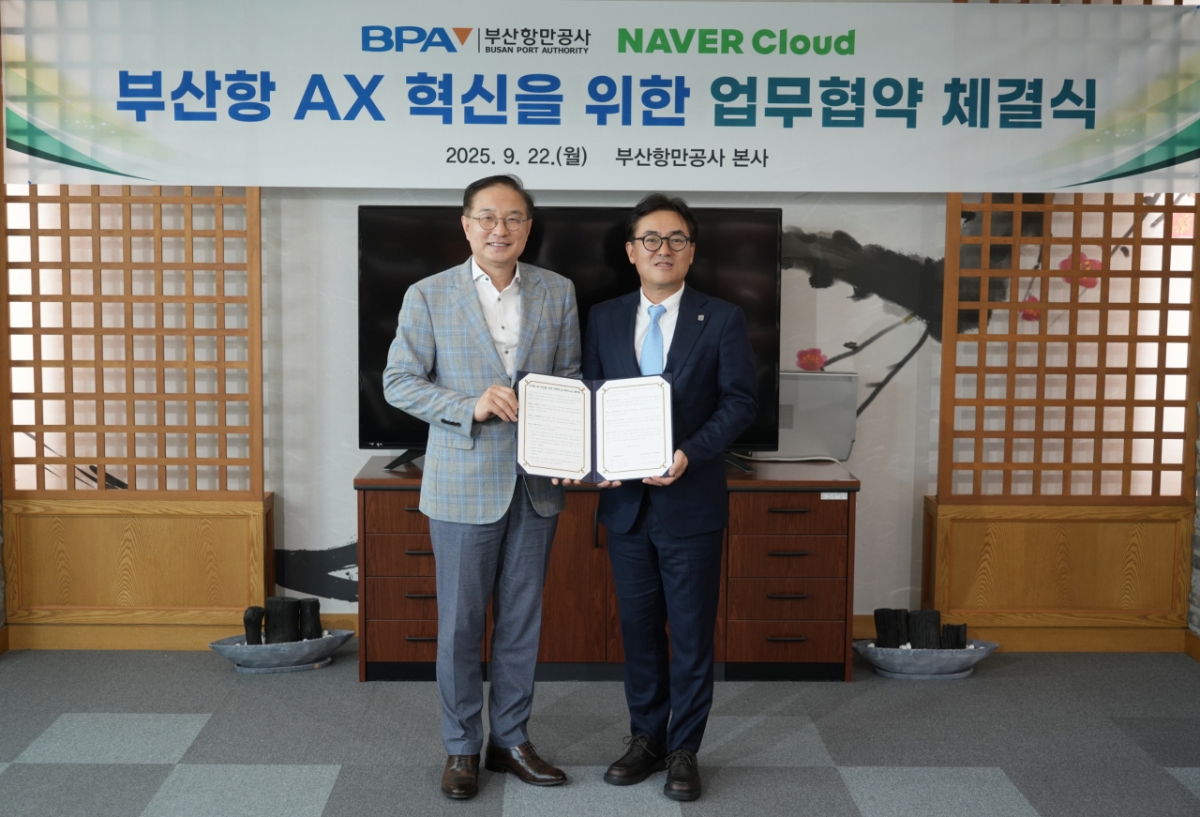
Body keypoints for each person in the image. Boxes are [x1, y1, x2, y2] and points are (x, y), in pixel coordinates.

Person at [382, 175, 579, 800]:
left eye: (514, 218)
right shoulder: (428, 294)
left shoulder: (557, 290)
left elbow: (570, 379)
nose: (501, 229)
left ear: (529, 227)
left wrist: (570, 446)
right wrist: (469, 404)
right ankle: (462, 746)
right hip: (463, 483)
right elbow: (398, 382)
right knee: (462, 626)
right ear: (466, 225)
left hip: (537, 483)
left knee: (521, 622)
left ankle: (511, 739)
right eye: (488, 217)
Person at [581, 193, 757, 802]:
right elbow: (590, 396)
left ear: (691, 251)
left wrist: (690, 452)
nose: (664, 249)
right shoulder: (603, 317)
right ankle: (646, 739)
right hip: (626, 507)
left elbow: (740, 402)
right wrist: (591, 462)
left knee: (690, 634)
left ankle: (684, 750)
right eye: (651, 239)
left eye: (676, 239)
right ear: (631, 252)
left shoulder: (722, 318)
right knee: (638, 633)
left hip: (692, 503)